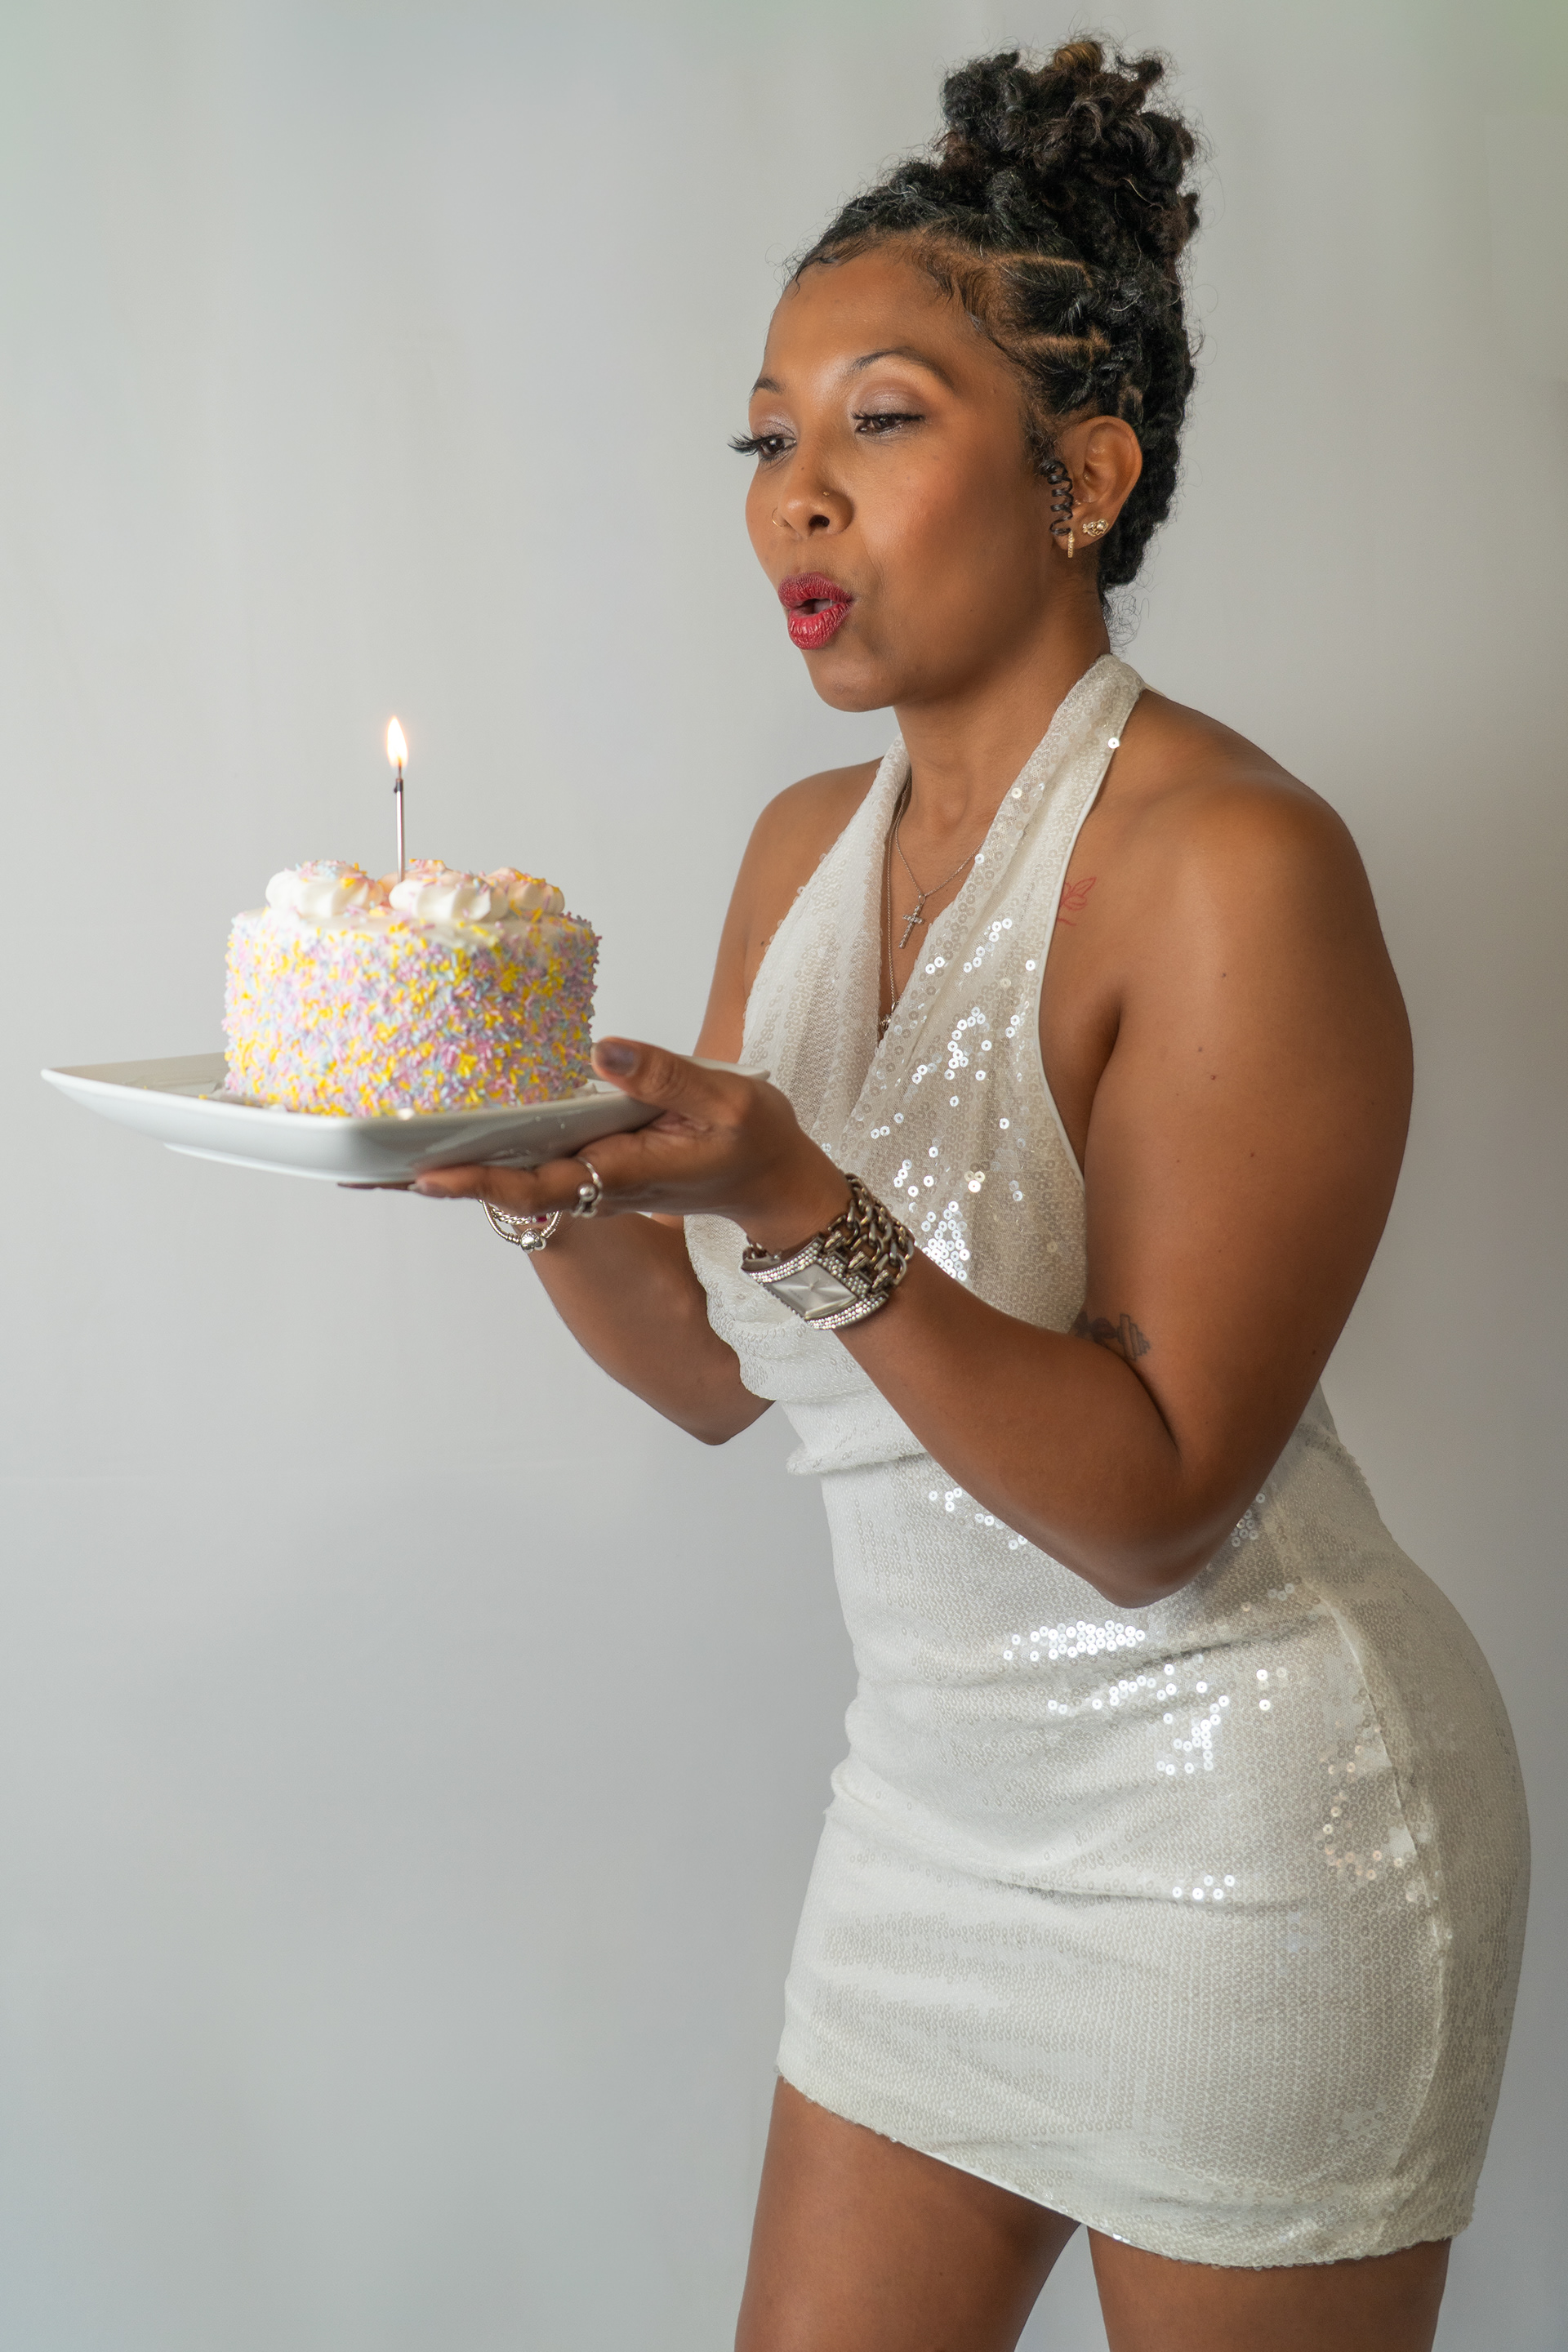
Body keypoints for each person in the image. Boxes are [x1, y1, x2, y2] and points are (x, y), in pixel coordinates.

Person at [414, 42, 1528, 2352]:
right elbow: (730, 1381)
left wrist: (807, 1188)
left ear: (1086, 477)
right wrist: (533, 1183)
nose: (791, 502)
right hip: (928, 1831)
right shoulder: (797, 860)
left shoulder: (1236, 868)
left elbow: (1152, 1507)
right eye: (766, 436)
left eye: (879, 422)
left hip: (1256, 1837)